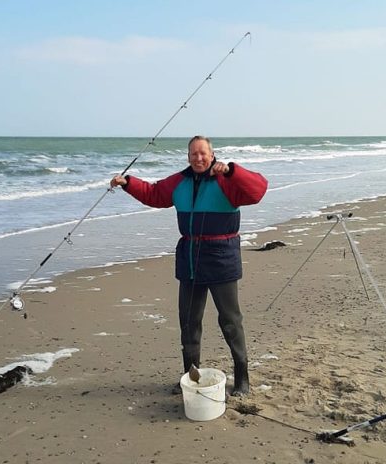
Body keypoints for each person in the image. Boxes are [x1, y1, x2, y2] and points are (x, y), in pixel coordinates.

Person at [110, 135, 268, 396]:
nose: (199, 158)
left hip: (221, 258)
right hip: (190, 258)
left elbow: (258, 190)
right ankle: (191, 375)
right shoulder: (179, 181)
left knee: (230, 320)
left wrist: (231, 170)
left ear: (212, 154)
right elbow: (154, 194)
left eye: (203, 153)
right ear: (188, 157)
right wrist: (128, 183)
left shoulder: (228, 180)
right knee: (189, 322)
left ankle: (242, 378)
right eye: (194, 154)